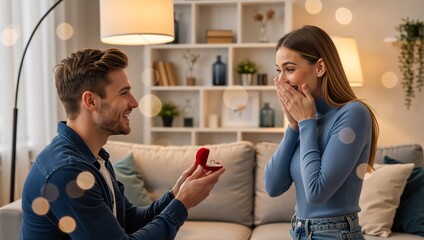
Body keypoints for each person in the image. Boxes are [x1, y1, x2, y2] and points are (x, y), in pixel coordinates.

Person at [19, 48, 225, 239]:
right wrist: (183, 204)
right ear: (90, 101)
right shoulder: (67, 173)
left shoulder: (94, 158)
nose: (134, 102)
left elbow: (130, 221)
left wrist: (176, 194)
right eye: (123, 93)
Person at [264, 25, 379, 240]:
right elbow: (272, 187)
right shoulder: (306, 120)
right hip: (298, 231)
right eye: (278, 71)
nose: (281, 81)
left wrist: (306, 123)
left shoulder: (354, 113)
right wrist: (293, 128)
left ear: (320, 67)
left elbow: (317, 192)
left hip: (335, 234)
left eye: (289, 69)